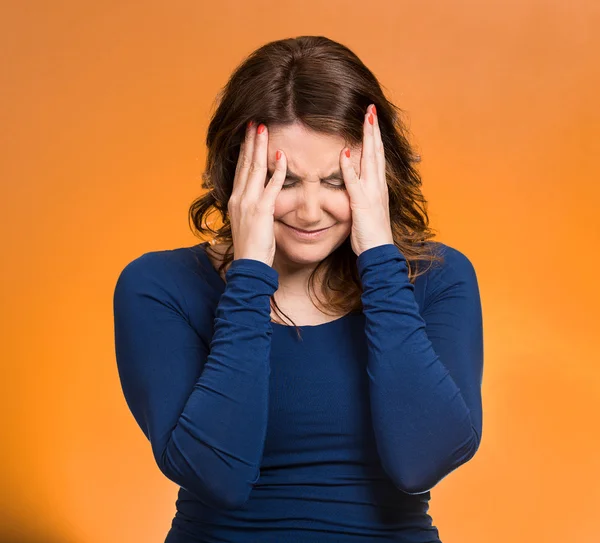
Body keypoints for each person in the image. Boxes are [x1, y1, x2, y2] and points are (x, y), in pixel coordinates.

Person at [113, 35, 484, 543]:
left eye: (337, 181)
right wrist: (248, 278)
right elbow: (218, 477)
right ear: (234, 175)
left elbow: (421, 461)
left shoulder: (435, 278)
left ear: (380, 176)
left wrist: (379, 258)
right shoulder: (159, 287)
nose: (310, 212)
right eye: (281, 180)